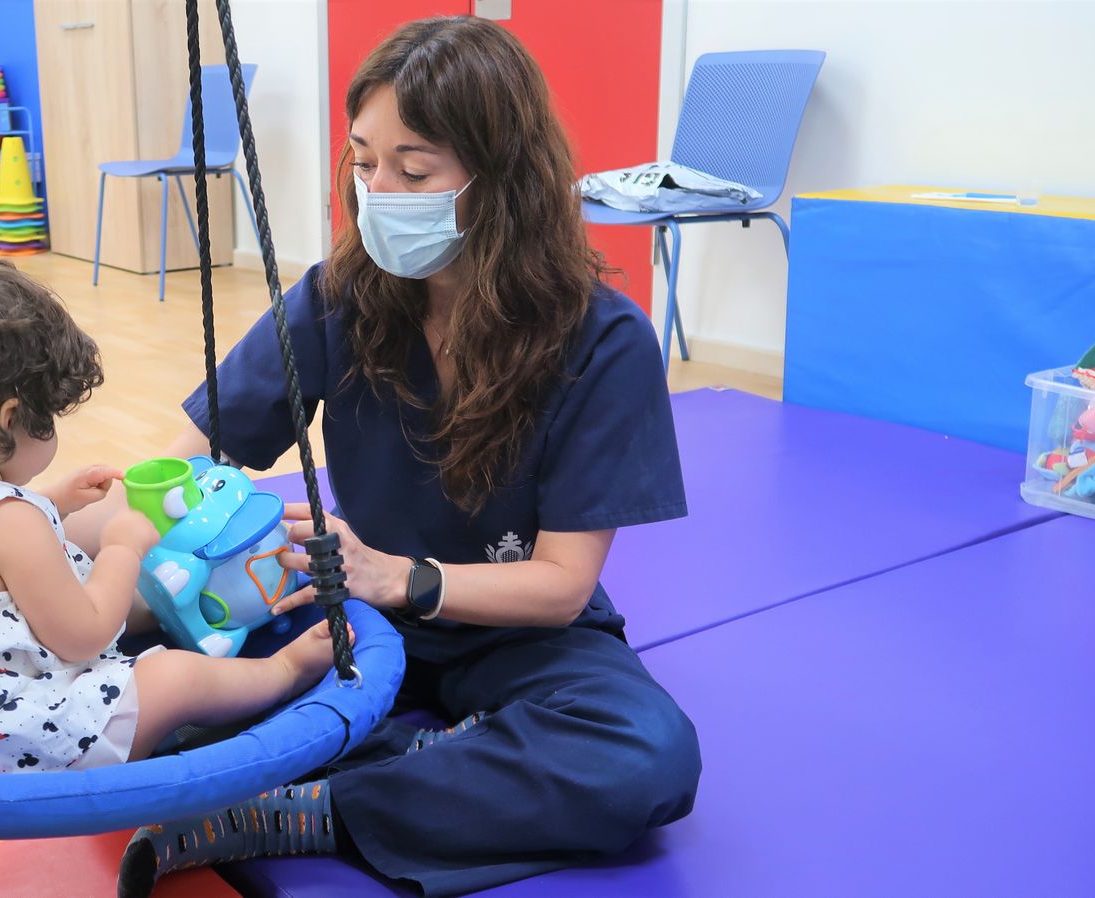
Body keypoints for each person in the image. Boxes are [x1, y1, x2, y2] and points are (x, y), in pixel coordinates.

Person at [116, 17, 701, 897]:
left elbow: (560, 587)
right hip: (343, 615)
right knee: (152, 684)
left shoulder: (601, 342)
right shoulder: (337, 299)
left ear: (498, 179)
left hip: (509, 631)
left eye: (413, 169)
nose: (377, 191)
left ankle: (312, 803)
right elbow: (189, 460)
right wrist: (91, 557)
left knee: (646, 754)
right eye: (362, 162)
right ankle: (423, 761)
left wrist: (401, 577)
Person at [0, 256, 345, 775]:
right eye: (47, 416)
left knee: (75, 559)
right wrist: (122, 547)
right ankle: (283, 671)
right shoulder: (13, 524)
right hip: (7, 739)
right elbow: (84, 635)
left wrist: (50, 502)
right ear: (9, 419)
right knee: (171, 676)